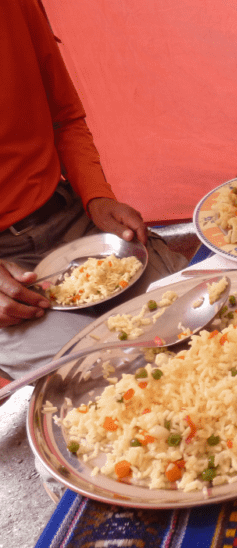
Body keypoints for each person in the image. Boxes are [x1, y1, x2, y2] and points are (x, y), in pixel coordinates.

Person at [0, 0, 188, 381]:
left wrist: (96, 195)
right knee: (100, 381)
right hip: (8, 270)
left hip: (70, 220)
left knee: (195, 319)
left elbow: (64, 117)